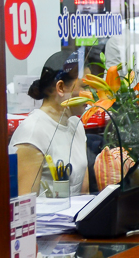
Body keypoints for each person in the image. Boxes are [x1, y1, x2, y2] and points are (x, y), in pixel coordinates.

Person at [10, 50, 90, 196]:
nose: (91, 95)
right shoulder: (32, 132)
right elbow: (24, 205)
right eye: (85, 87)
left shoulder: (77, 125)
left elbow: (84, 193)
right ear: (60, 88)